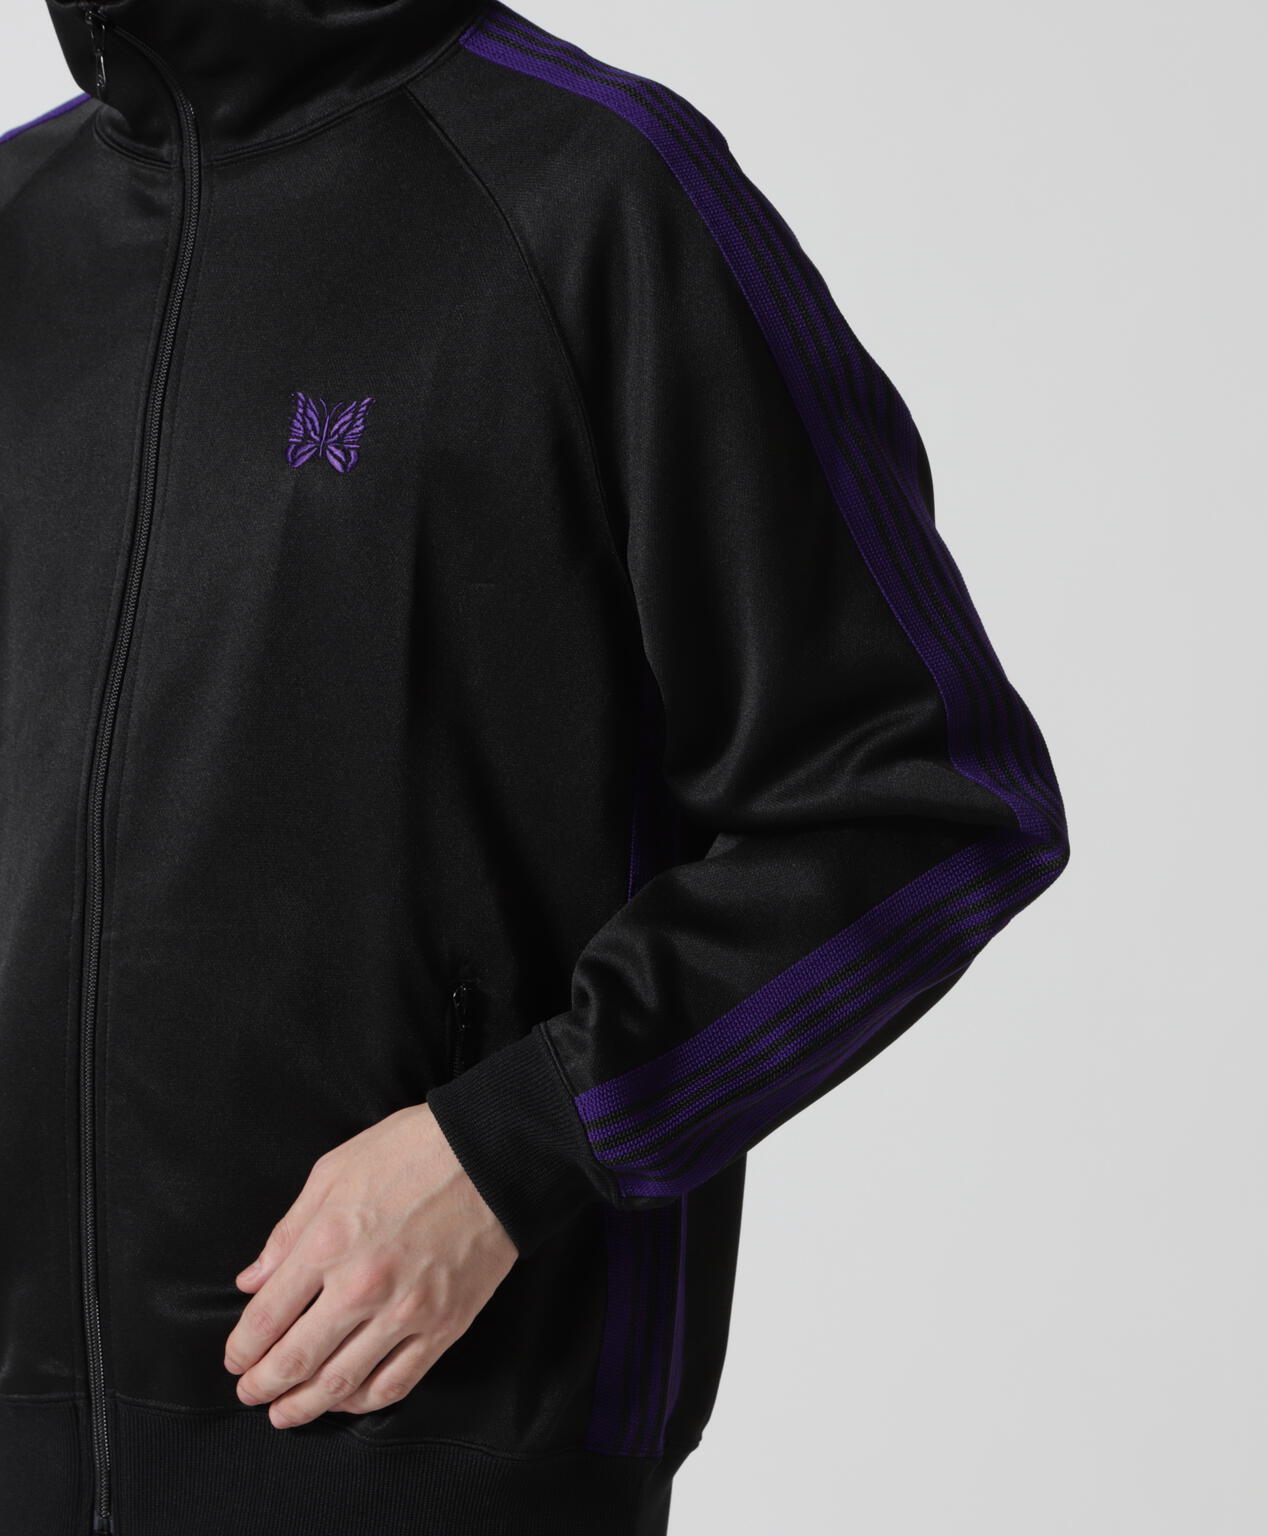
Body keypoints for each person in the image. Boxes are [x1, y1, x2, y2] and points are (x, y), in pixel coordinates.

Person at [0, 1, 1070, 1532]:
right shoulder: (22, 231)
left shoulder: (590, 193)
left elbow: (924, 798)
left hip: (441, 1436)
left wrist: (521, 1144)